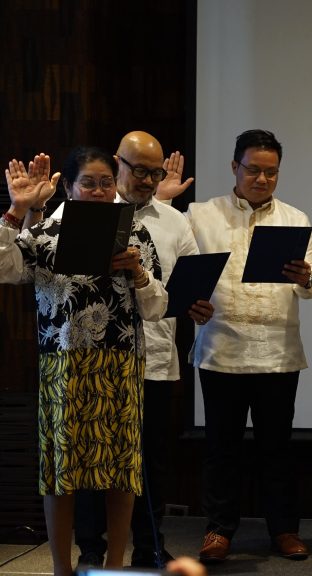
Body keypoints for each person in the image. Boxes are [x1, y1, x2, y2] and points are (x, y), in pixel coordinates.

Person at [1, 148, 167, 575]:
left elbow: (156, 308)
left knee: (122, 470)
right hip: (64, 366)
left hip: (121, 364)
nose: (98, 191)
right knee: (62, 472)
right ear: (70, 188)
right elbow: (4, 269)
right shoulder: (45, 233)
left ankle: (114, 565)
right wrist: (16, 212)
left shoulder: (136, 233)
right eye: (88, 183)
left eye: (106, 183)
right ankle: (61, 567)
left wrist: (139, 274)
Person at [72, 132, 209, 569]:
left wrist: (196, 300)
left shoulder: (173, 221)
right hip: (97, 359)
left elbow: (188, 278)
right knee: (93, 457)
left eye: (156, 172)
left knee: (150, 460)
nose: (149, 180)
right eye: (140, 171)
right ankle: (91, 549)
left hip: (155, 356)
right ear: (119, 163)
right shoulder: (88, 210)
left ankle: (150, 544)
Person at [184, 129, 312, 564]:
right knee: (221, 447)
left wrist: (306, 277)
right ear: (234, 167)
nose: (262, 179)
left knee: (277, 447)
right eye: (254, 170)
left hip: (277, 350)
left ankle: (284, 529)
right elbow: (181, 273)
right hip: (220, 348)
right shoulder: (200, 215)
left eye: (272, 172)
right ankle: (219, 530)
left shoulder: (296, 219)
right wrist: (189, 303)